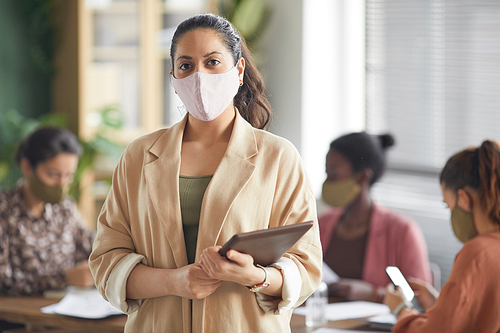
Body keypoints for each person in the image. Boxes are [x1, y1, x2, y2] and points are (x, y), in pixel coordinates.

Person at [89, 13, 322, 333]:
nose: (199, 76)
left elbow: (306, 266)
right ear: (173, 78)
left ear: (238, 70)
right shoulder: (138, 157)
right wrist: (173, 281)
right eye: (186, 65)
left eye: (212, 62)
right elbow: (106, 262)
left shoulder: (278, 158)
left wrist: (255, 276)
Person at [385, 140, 500, 333]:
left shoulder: (478, 253)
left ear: (463, 199)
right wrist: (439, 304)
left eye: (449, 206)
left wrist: (401, 309)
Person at [319, 132, 431, 303]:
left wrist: (373, 294)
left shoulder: (402, 230)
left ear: (363, 177)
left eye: (334, 175)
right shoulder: (321, 224)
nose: (327, 183)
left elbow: (421, 300)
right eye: (326, 174)